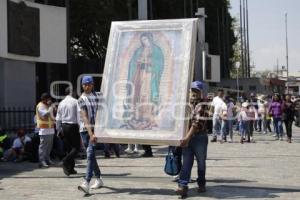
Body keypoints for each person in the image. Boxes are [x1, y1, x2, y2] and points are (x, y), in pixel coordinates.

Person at [123, 32, 164, 130]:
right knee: (138, 94)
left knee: (147, 95)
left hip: (150, 76)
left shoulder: (157, 50)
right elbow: (132, 62)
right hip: (139, 75)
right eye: (142, 40)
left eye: (145, 39)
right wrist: (137, 62)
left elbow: (160, 63)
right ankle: (137, 116)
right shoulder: (139, 50)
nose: (144, 42)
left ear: (150, 39)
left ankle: (147, 117)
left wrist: (150, 62)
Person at [175, 81, 208, 198]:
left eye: (197, 91)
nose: (194, 93)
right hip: (187, 137)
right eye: (192, 90)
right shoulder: (187, 104)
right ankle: (183, 186)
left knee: (201, 162)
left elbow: (196, 123)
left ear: (201, 92)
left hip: (199, 137)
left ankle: (201, 183)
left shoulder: (203, 104)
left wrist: (187, 138)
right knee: (187, 162)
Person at [77, 76, 103, 194]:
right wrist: (91, 133)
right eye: (85, 84)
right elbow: (85, 117)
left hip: (95, 130)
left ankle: (86, 182)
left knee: (90, 154)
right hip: (85, 131)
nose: (87, 86)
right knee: (91, 156)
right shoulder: (81, 99)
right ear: (82, 85)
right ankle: (98, 179)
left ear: (93, 85)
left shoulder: (97, 96)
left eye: (89, 84)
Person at [56, 87, 81, 176]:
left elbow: (58, 117)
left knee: (69, 148)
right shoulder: (75, 101)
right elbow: (79, 115)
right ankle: (65, 161)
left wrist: (58, 129)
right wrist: (80, 126)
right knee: (76, 147)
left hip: (64, 126)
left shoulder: (61, 103)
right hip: (73, 126)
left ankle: (70, 168)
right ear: (71, 92)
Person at [36, 93, 55, 168]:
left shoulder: (48, 105)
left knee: (49, 146)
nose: (49, 100)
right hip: (43, 129)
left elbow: (52, 115)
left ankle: (47, 159)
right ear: (44, 99)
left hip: (50, 129)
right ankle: (42, 160)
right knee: (43, 146)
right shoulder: (40, 105)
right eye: (48, 99)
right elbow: (45, 115)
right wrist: (50, 108)